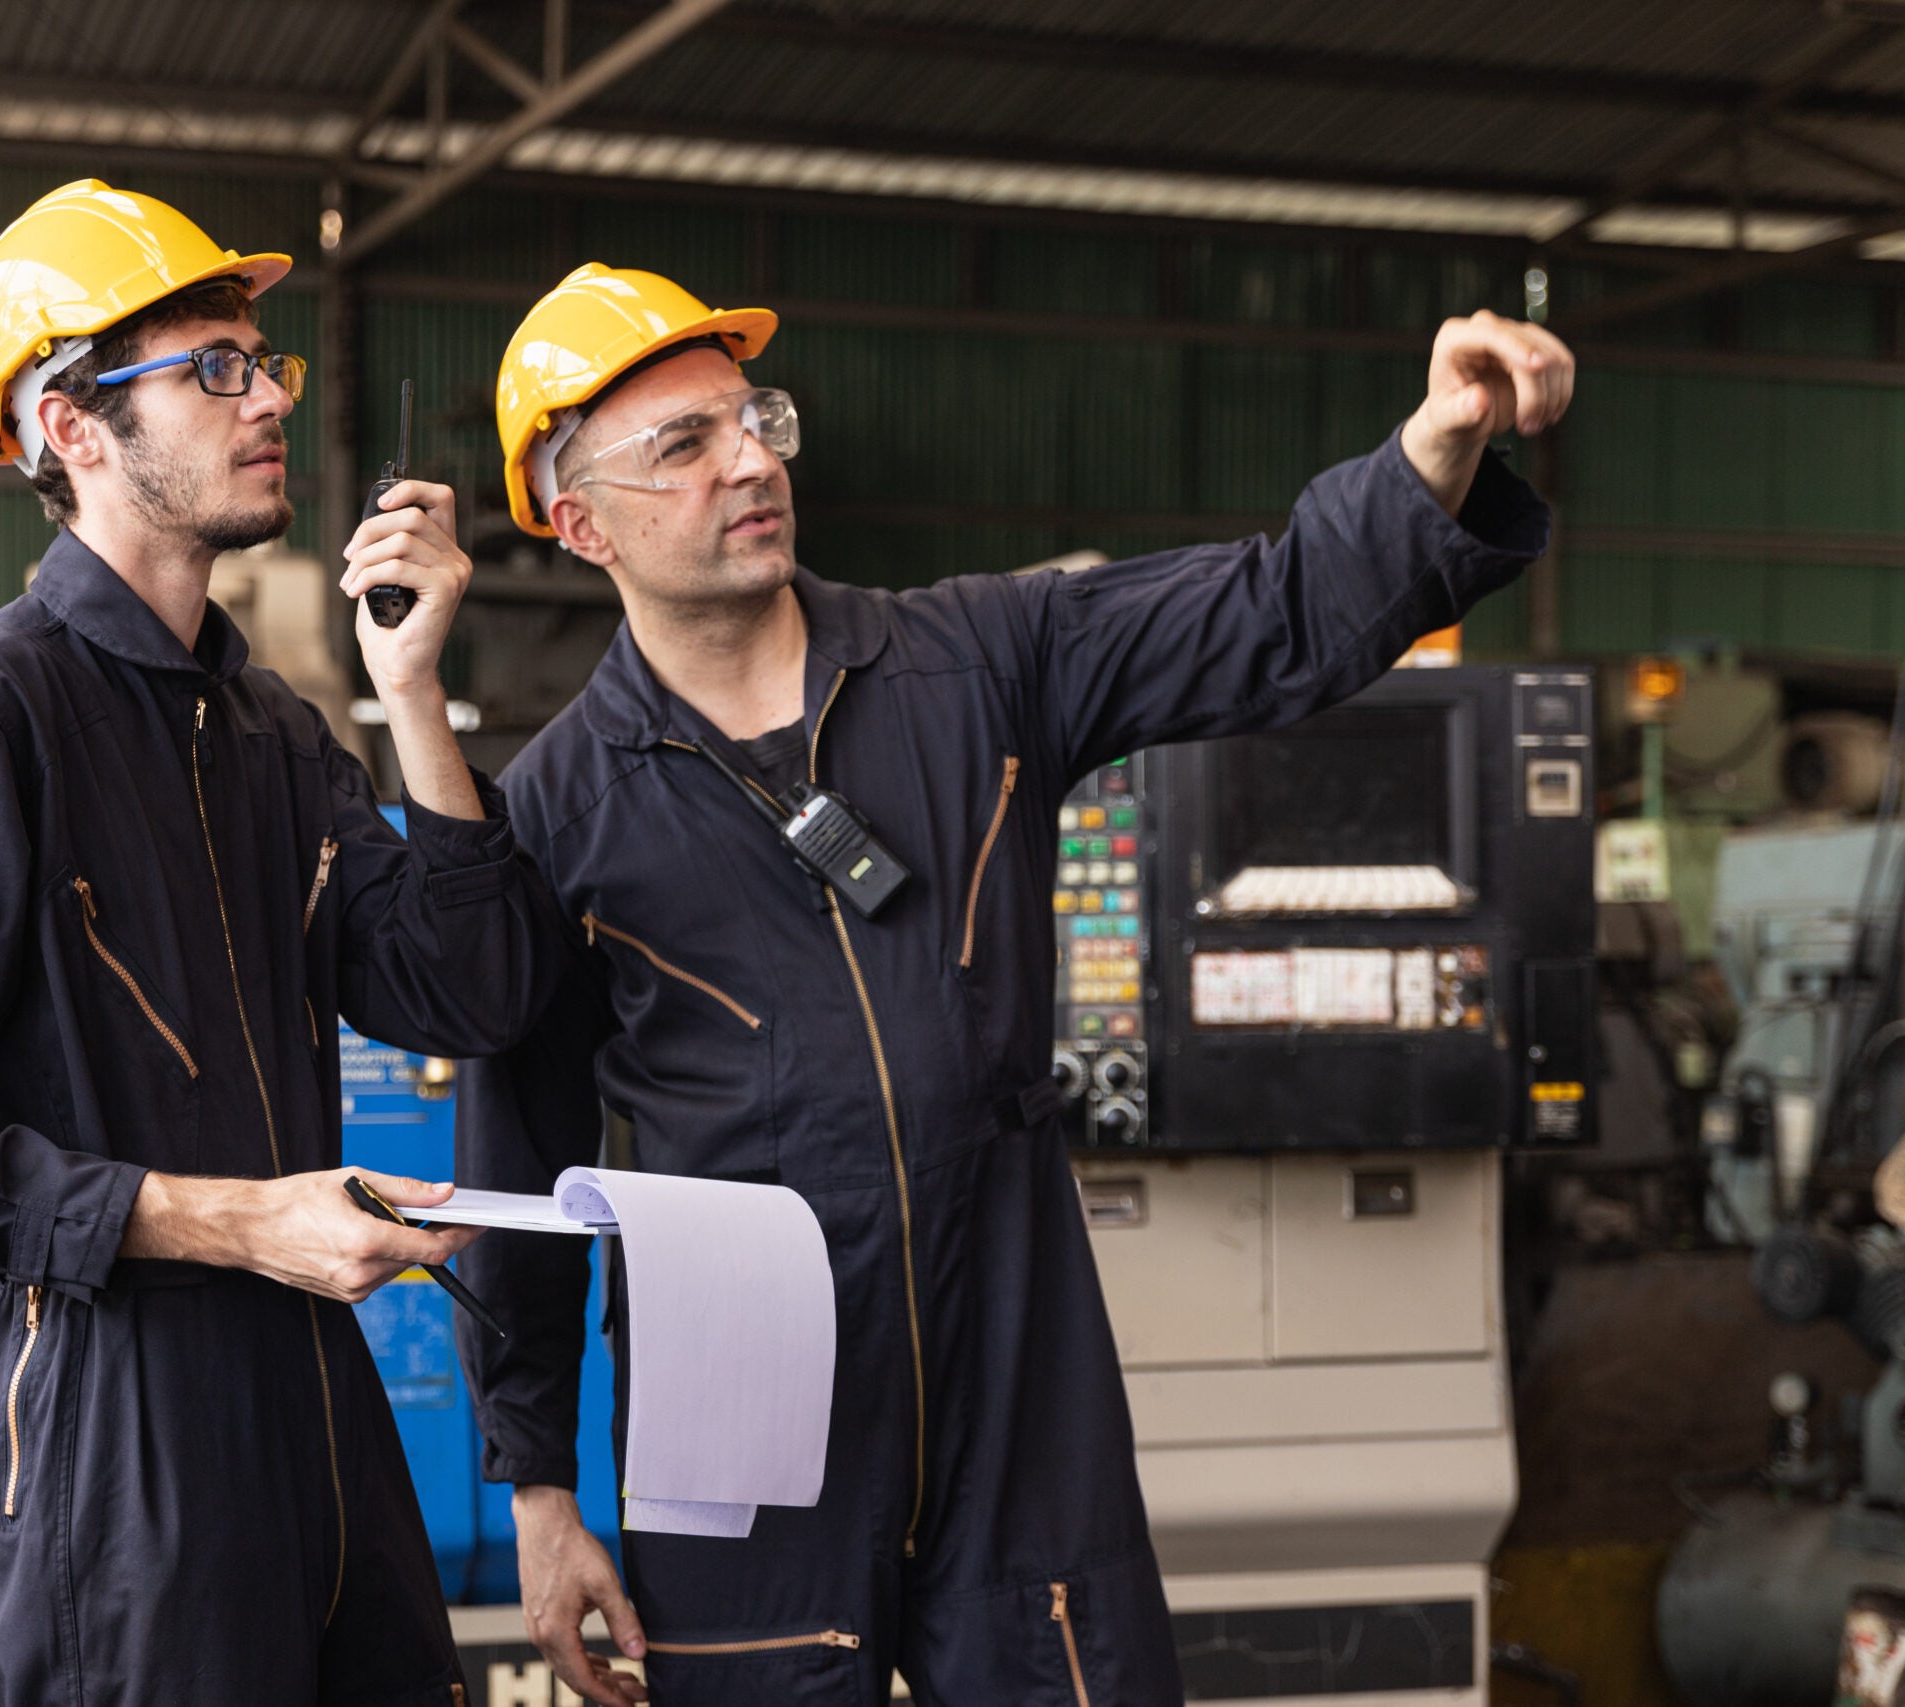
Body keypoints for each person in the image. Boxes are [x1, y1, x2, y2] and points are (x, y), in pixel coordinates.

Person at [456, 262, 1572, 1706]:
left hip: (1014, 1373)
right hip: (746, 1423)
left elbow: (1272, 606)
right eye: (685, 443)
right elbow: (521, 1173)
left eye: (755, 419)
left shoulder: (978, 661)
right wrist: (538, 1491)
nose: (750, 460)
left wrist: (1436, 450)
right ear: (575, 520)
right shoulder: (556, 814)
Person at [0, 179, 560, 1707]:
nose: (265, 396)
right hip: (113, 1427)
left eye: (263, 361)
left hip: (321, 1419)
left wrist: (413, 692)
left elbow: (469, 991)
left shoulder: (274, 730)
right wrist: (240, 1221)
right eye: (211, 367)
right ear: (72, 426)